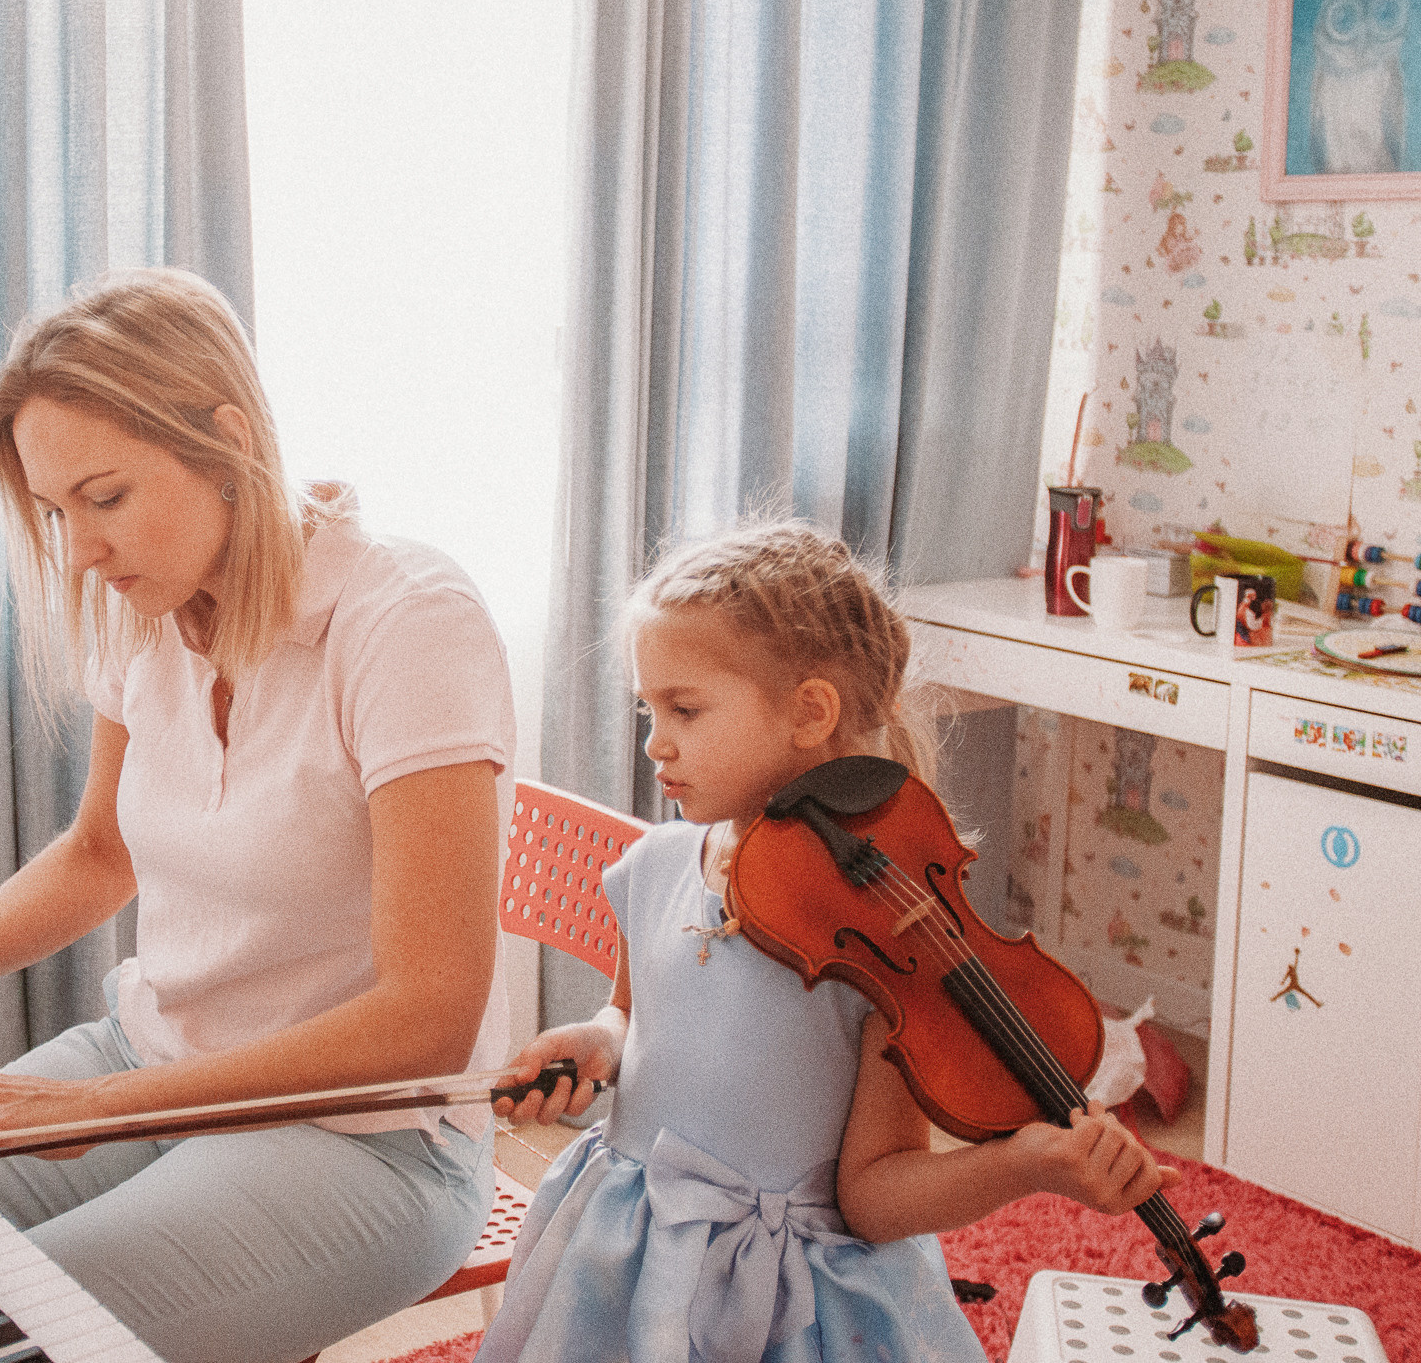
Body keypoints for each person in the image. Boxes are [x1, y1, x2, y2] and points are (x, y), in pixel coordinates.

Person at [0, 267, 516, 1363]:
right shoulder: (145, 608)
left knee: (1, 1326)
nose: (80, 552)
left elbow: (427, 1012)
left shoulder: (408, 623)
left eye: (105, 497)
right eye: (57, 512)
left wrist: (111, 1107)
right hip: (147, 1050)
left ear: (227, 439)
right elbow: (98, 853)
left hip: (368, 1132)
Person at [475, 521, 1179, 1363]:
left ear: (810, 712)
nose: (655, 741)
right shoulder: (655, 866)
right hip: (632, 1255)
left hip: (795, 1306)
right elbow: (633, 1014)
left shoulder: (882, 943)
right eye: (648, 708)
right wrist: (597, 1041)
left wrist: (1025, 1164)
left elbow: (875, 1195)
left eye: (685, 708)